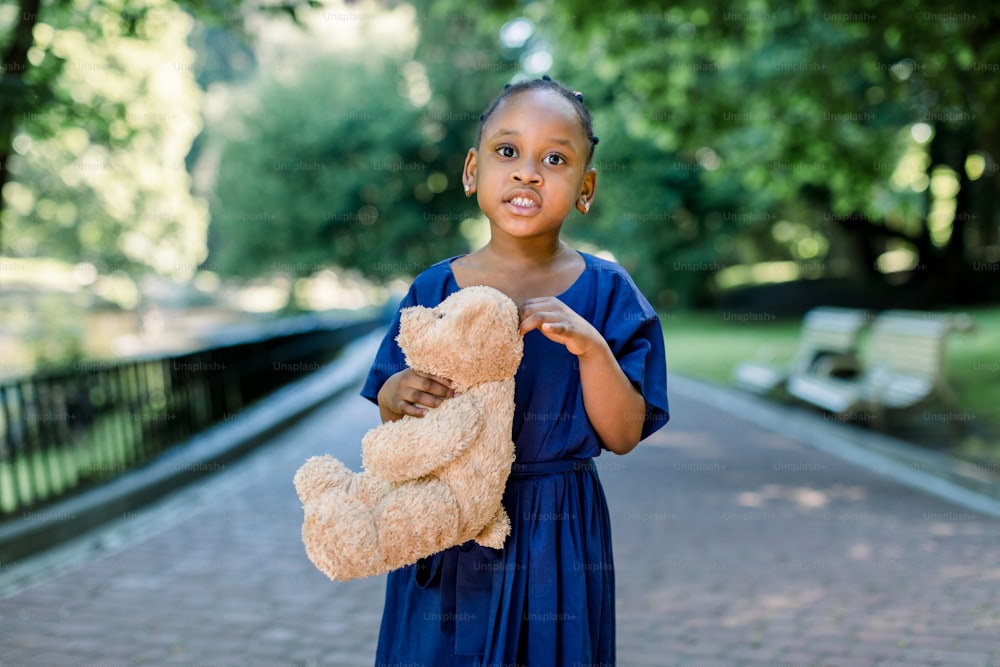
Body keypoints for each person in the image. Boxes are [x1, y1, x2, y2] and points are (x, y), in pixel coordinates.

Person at [360, 75, 669, 667]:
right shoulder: (433, 288)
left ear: (585, 188)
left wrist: (590, 348)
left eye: (555, 158)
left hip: (555, 525)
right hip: (447, 518)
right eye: (509, 152)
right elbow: (394, 415)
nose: (529, 171)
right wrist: (397, 394)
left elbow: (624, 434)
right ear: (473, 170)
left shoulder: (608, 292)